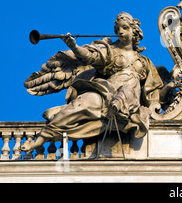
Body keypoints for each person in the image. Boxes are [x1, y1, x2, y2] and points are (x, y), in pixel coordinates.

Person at [21, 12, 173, 152]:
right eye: (118, 29)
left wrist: (173, 86)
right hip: (106, 92)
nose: (120, 32)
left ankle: (119, 105)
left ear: (134, 32)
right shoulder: (110, 52)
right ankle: (40, 139)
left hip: (130, 99)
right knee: (80, 105)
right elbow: (88, 56)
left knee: (130, 84)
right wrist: (74, 46)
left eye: (125, 28)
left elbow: (154, 94)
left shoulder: (144, 62)